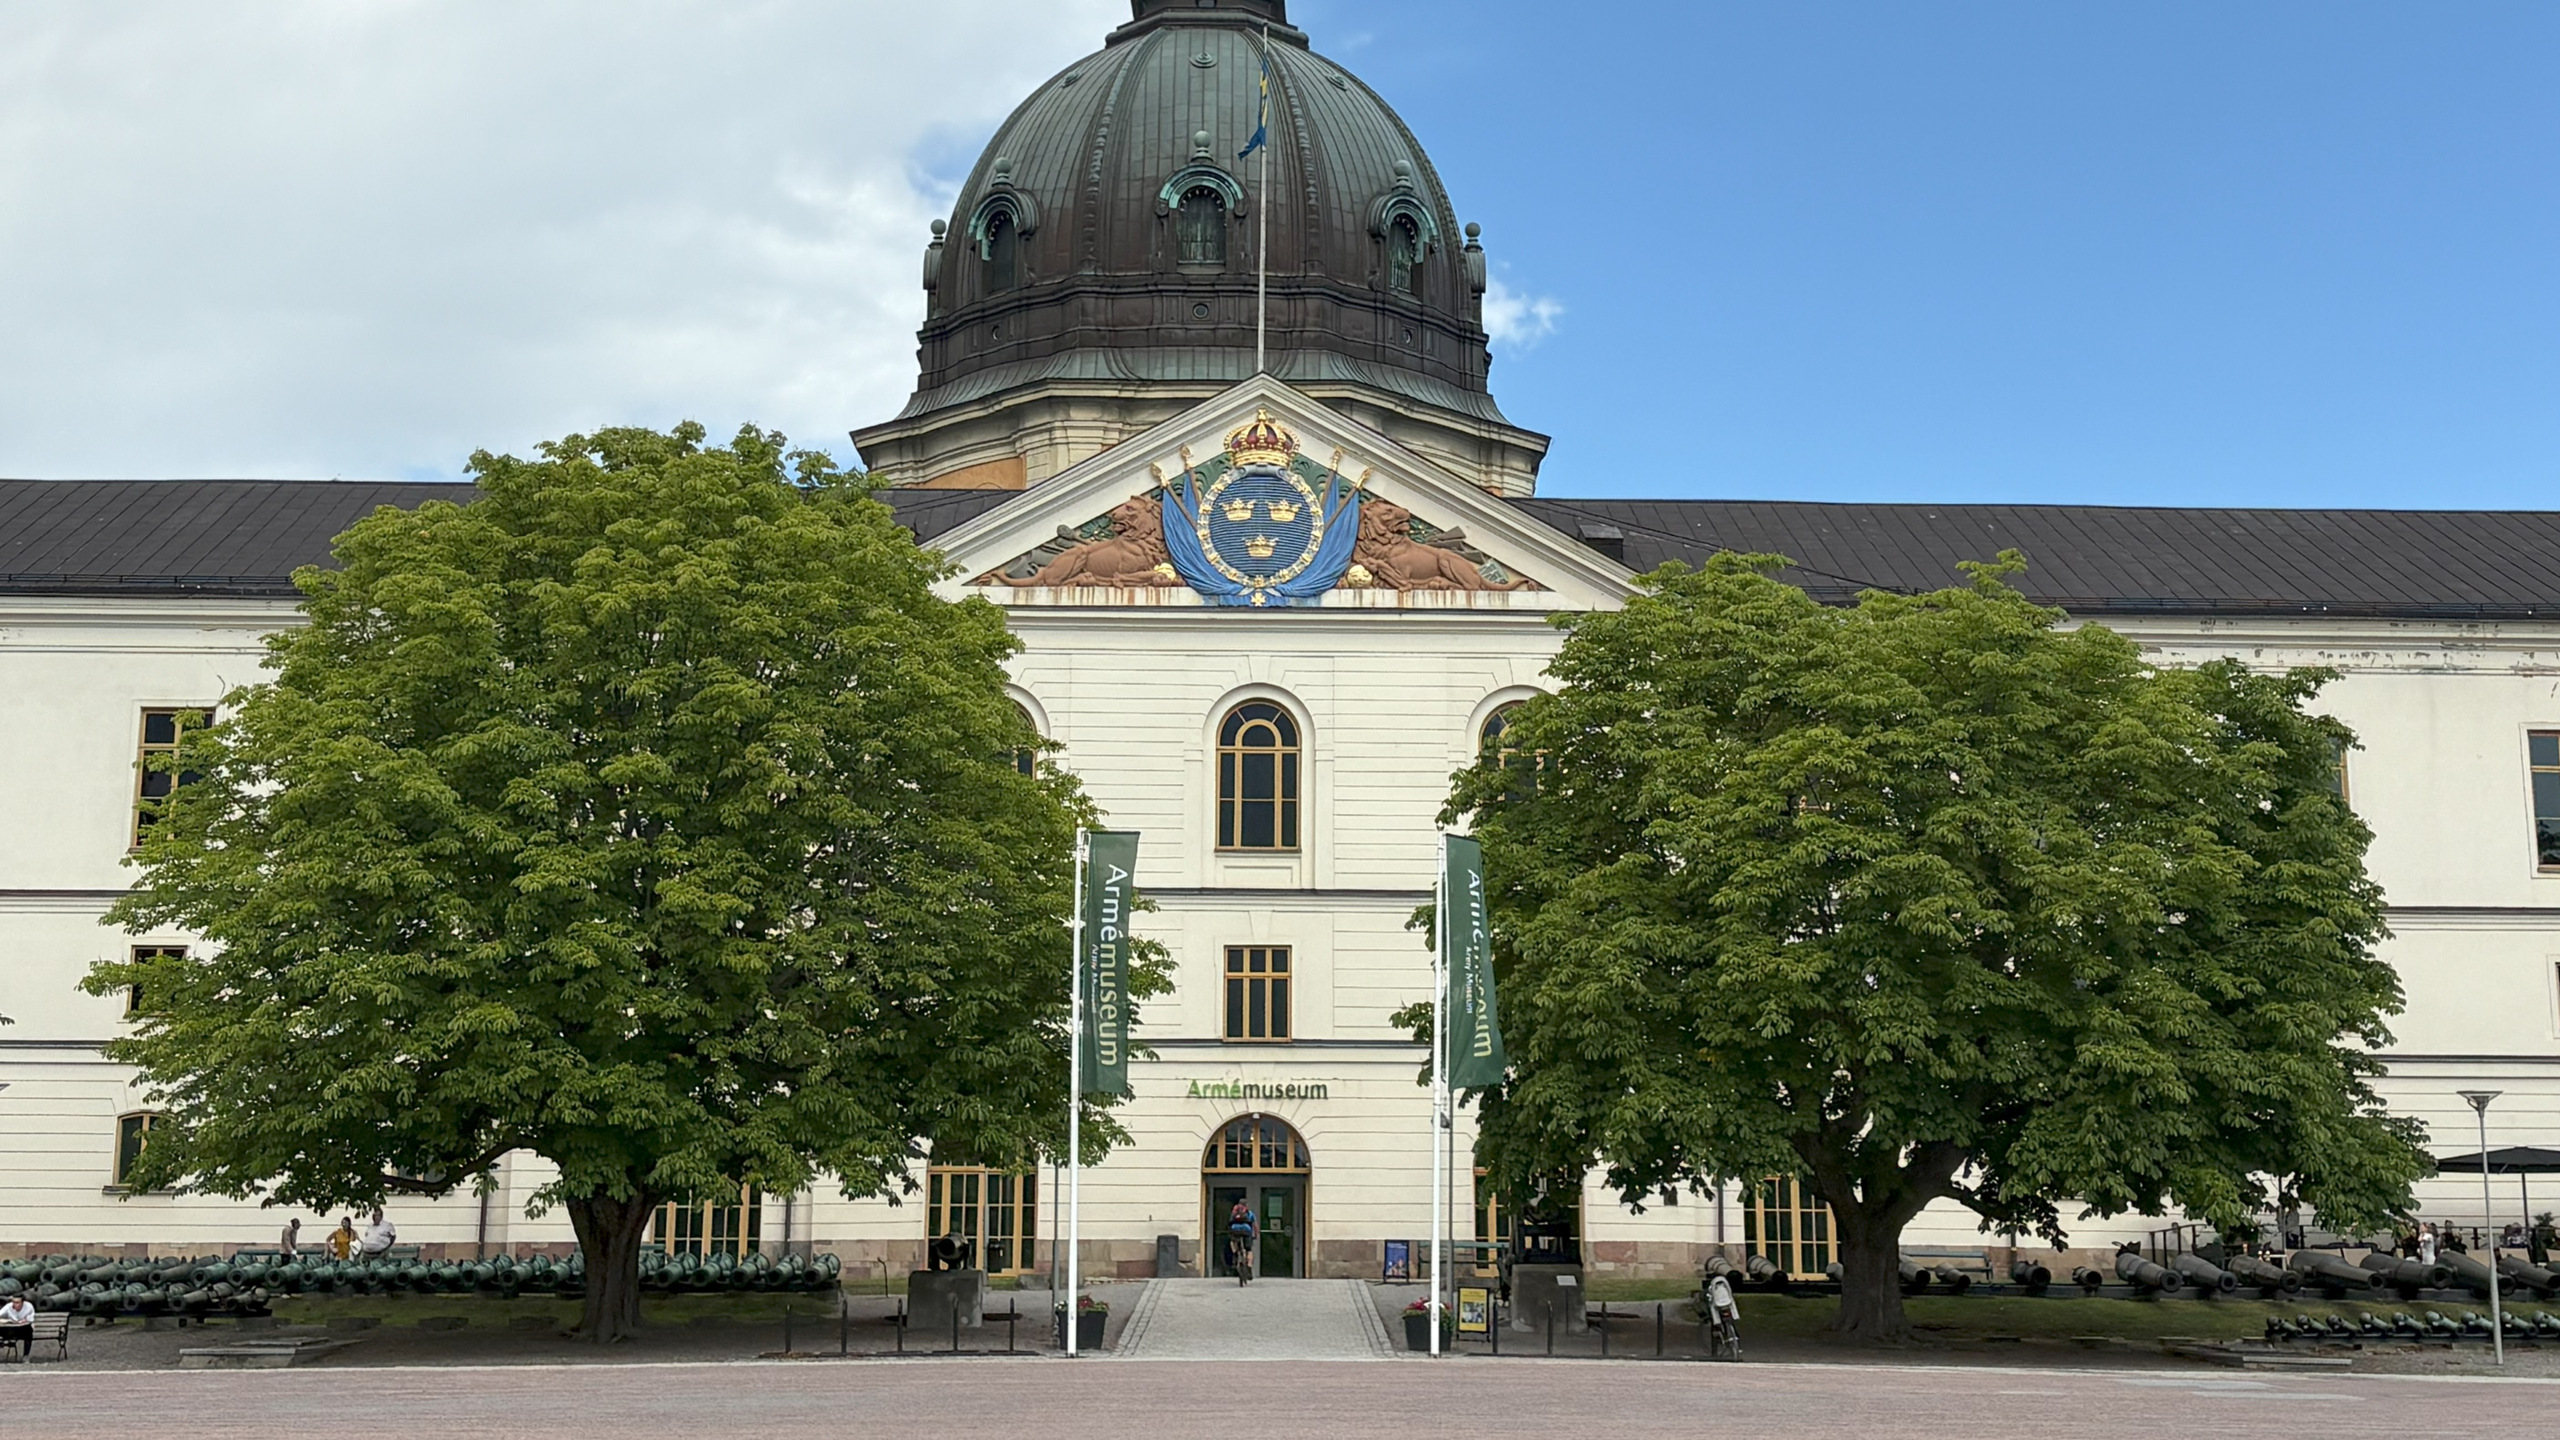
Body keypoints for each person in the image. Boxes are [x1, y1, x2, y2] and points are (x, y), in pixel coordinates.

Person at [1704, 1272, 1742, 1359]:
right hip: (1728, 1303)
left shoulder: (1712, 1287)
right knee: (1730, 1320)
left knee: (1716, 1315)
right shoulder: (1725, 1286)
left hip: (1717, 1304)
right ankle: (1734, 1338)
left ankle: (1718, 1335)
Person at [1226, 1198, 1258, 1286]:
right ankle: (1249, 1267)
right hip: (1246, 1231)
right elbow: (1255, 1225)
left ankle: (1235, 1254)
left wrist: (1230, 1232)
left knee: (1232, 1242)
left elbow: (1230, 1222)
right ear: (1246, 1205)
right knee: (1249, 1250)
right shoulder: (1249, 1213)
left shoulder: (1234, 1212)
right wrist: (1255, 1234)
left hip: (1235, 1230)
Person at [0, 1291, 35, 1360]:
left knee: (28, 1331)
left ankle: (26, 1355)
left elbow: (30, 1320)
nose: (15, 1304)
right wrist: (6, 1321)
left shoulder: (28, 1306)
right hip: (10, 1330)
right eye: (14, 1302)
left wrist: (23, 1321)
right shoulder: (9, 1306)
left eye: (17, 1302)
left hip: (22, 1330)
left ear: (22, 1302)